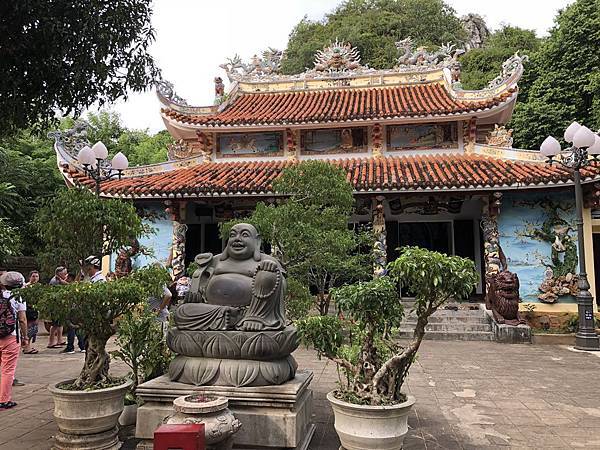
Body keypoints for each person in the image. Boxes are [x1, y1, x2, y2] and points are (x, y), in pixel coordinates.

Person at [0, 271, 28, 409]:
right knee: (8, 370)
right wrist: (25, 337)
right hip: (11, 336)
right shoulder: (19, 297)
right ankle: (4, 400)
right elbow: (22, 319)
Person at [47, 266, 68, 348]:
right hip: (55, 306)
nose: (66, 275)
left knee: (60, 324)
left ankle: (60, 340)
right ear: (59, 273)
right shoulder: (55, 281)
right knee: (55, 324)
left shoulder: (59, 280)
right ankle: (51, 342)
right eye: (64, 273)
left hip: (59, 305)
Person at [22, 271, 40, 354]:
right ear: (29, 277)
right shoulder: (26, 287)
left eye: (36, 276)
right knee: (28, 328)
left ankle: (28, 345)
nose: (35, 278)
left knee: (33, 329)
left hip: (35, 309)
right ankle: (26, 347)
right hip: (28, 309)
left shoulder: (38, 286)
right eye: (33, 276)